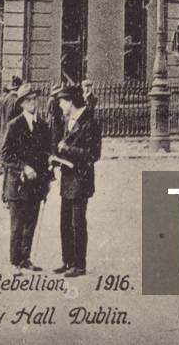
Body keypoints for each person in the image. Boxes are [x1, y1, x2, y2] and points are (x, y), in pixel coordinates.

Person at [51, 85, 102, 278]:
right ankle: (68, 261)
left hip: (81, 178)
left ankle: (80, 264)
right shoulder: (68, 120)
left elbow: (94, 155)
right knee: (65, 221)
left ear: (71, 102)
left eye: (62, 101)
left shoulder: (90, 122)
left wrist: (67, 149)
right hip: (67, 178)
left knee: (77, 222)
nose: (60, 105)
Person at [0, 83, 52, 270]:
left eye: (34, 99)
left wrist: (48, 179)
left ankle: (25, 258)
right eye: (28, 100)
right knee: (17, 225)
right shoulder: (14, 126)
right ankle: (15, 261)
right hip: (17, 184)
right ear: (21, 104)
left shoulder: (43, 126)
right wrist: (23, 167)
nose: (32, 103)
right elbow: (5, 155)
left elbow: (47, 154)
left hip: (36, 185)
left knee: (31, 223)